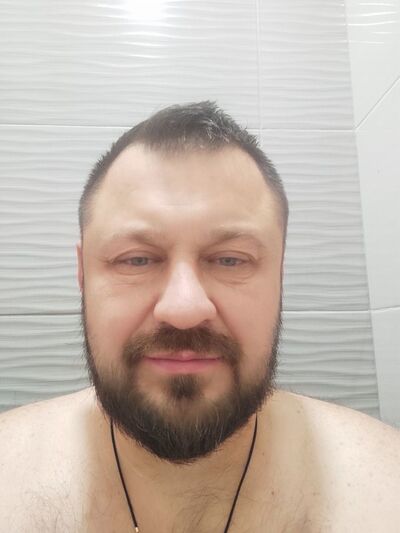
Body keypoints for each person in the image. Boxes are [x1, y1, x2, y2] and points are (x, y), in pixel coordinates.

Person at [0, 101, 399, 533]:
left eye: (230, 260)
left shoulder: (386, 489)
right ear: (82, 273)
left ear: (280, 273)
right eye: (136, 260)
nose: (184, 310)